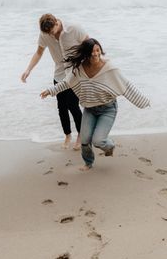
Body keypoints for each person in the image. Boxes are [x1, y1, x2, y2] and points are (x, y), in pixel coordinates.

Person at [40, 38, 150, 170]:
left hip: (108, 109)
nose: (96, 54)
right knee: (85, 141)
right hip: (89, 110)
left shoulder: (110, 69)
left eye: (98, 50)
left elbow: (126, 86)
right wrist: (50, 91)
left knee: (98, 141)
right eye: (92, 52)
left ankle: (110, 146)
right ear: (86, 54)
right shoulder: (79, 69)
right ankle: (88, 163)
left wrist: (143, 101)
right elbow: (67, 83)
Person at [21, 13, 87, 150]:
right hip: (58, 74)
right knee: (61, 107)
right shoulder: (45, 34)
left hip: (74, 73)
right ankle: (68, 135)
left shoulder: (73, 28)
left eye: (52, 32)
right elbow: (38, 53)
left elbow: (89, 43)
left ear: (57, 22)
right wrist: (28, 70)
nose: (51, 35)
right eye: (48, 34)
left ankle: (81, 135)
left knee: (73, 106)